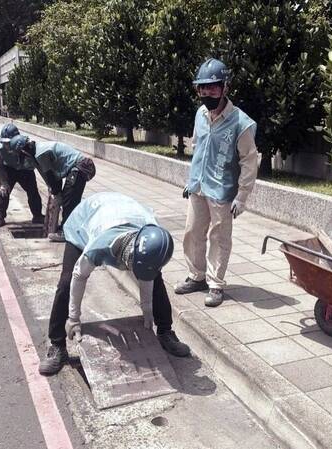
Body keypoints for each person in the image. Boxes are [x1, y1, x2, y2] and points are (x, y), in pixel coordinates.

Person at [39, 192, 191, 376]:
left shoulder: (152, 238)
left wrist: (148, 311)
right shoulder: (99, 246)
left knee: (156, 279)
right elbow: (80, 276)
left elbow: (148, 276)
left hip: (123, 211)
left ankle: (165, 331)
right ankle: (57, 346)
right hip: (85, 220)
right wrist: (73, 319)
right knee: (67, 281)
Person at [174, 58, 258, 307]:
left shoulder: (241, 123)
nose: (206, 93)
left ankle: (216, 284)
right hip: (198, 186)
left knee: (219, 238)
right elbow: (198, 146)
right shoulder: (200, 114)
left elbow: (249, 162)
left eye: (212, 87)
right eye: (202, 88)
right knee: (192, 233)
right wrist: (191, 179)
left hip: (222, 191)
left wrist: (242, 197)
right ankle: (196, 276)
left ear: (224, 87)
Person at [8, 134, 96, 242]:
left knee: (69, 201)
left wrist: (56, 192)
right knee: (69, 199)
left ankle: (66, 233)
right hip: (77, 167)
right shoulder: (37, 153)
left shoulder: (41, 154)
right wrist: (55, 191)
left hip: (81, 167)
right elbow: (53, 177)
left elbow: (51, 176)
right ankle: (69, 227)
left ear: (23, 151)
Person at [0, 123, 44, 228]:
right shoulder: (0, 150)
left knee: (33, 192)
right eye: (4, 143)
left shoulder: (26, 146)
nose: (6, 146)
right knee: (3, 192)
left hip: (25, 170)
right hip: (9, 169)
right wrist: (4, 182)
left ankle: (37, 215)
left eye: (9, 143)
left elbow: (39, 165)